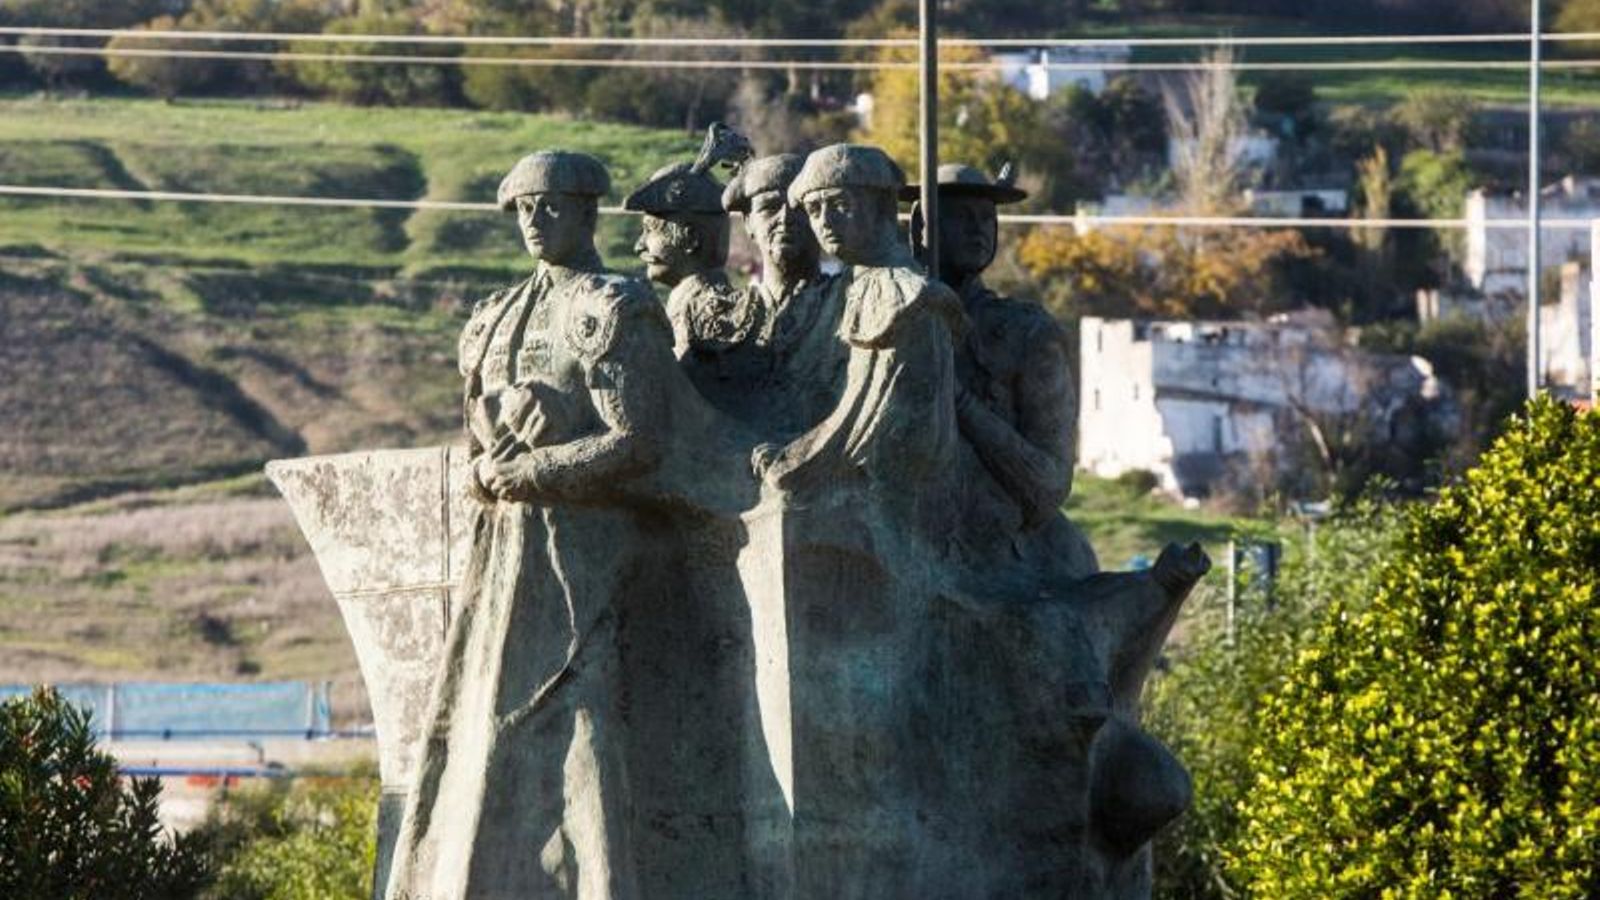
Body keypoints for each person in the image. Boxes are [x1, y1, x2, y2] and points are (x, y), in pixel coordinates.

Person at [385, 149, 676, 900]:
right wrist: (489, 460)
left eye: (548, 206)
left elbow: (639, 443)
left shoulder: (615, 306)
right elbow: (475, 440)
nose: (533, 222)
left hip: (583, 555)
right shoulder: (494, 316)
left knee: (582, 726)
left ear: (586, 210)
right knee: (483, 720)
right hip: (502, 554)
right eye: (522, 209)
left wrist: (532, 468)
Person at [906, 162, 1098, 579]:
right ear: (921, 226)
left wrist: (962, 404)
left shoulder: (1027, 333)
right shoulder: (890, 323)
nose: (978, 229)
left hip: (999, 549)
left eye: (986, 218)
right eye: (960, 217)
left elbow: (1048, 483)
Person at [717, 153, 847, 434]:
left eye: (799, 207)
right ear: (749, 223)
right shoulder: (724, 316)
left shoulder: (850, 304)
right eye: (770, 207)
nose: (786, 218)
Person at [624, 123, 751, 360]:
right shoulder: (685, 304)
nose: (639, 245)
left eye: (650, 230)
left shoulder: (710, 314)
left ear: (690, 238)